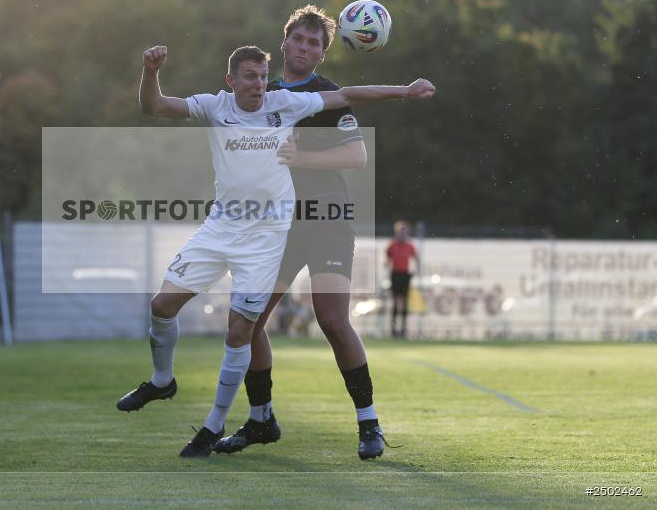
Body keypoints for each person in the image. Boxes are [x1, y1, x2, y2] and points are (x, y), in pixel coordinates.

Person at [115, 43, 434, 457]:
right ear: (231, 80)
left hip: (267, 239)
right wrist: (151, 70)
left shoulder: (284, 103)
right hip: (220, 229)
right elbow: (153, 106)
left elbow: (347, 95)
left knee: (247, 330)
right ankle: (168, 383)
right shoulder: (214, 106)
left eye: (264, 77)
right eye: (251, 77)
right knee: (161, 305)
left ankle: (214, 427)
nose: (260, 85)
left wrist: (404, 91)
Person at [214, 5, 389, 460]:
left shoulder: (329, 96)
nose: (305, 47)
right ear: (284, 43)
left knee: (332, 320)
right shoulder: (264, 93)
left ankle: (369, 423)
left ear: (322, 54)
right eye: (299, 39)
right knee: (248, 323)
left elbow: (356, 158)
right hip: (276, 227)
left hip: (326, 219)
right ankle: (261, 420)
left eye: (315, 43)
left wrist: (302, 158)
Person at [386, 220, 417, 339]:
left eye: (404, 232)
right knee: (395, 302)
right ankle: (393, 330)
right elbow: (387, 259)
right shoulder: (392, 245)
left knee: (404, 302)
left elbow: (415, 259)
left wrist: (414, 271)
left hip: (405, 274)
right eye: (400, 232)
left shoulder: (410, 246)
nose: (402, 234)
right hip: (395, 274)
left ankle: (403, 330)